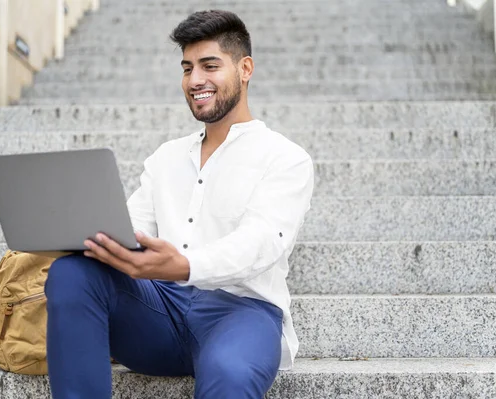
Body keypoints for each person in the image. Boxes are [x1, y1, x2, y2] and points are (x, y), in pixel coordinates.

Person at [44, 9, 314, 399]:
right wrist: (86, 235)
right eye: (187, 68)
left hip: (242, 314)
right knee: (71, 273)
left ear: (245, 68)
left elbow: (263, 242)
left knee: (229, 374)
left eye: (209, 65)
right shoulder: (166, 157)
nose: (195, 80)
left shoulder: (285, 158)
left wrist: (185, 266)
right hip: (159, 312)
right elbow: (132, 226)